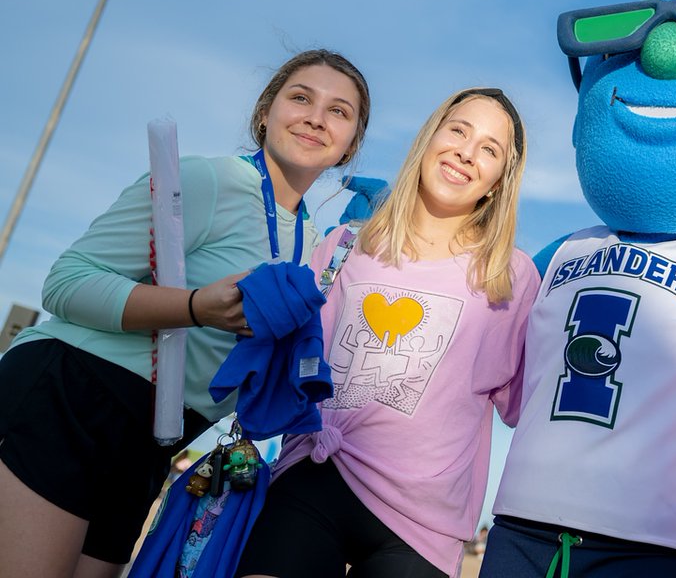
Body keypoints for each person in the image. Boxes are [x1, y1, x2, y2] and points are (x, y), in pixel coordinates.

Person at [0, 49, 371, 578]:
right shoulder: (205, 179)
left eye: (338, 111)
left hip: (155, 443)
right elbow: (67, 282)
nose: (316, 118)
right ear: (265, 113)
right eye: (301, 98)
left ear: (351, 143)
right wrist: (196, 307)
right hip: (72, 397)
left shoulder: (315, 247)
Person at [236, 87, 539, 578]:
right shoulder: (345, 243)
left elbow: (525, 405)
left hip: (423, 523)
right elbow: (291, 355)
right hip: (313, 474)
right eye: (458, 130)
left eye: (489, 149)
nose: (466, 152)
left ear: (499, 181)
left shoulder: (510, 275)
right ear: (429, 139)